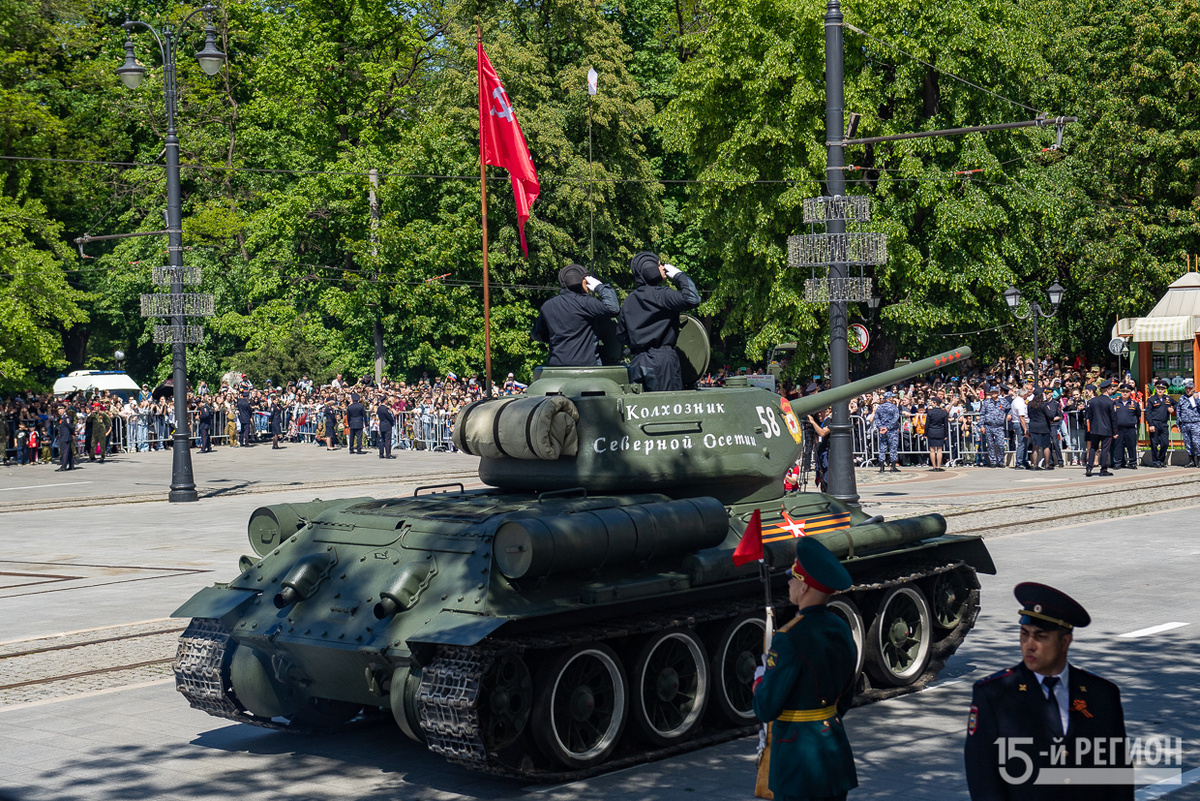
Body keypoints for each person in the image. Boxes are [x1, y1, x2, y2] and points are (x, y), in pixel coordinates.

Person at [965, 582, 1131, 801]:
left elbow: (1118, 773)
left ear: (1065, 641)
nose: (1029, 645)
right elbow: (983, 778)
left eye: (1041, 637)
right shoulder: (994, 694)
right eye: (1024, 634)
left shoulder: (1102, 694)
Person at [752, 537, 858, 801]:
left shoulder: (788, 638)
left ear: (805, 587)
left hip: (798, 760)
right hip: (833, 748)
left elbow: (766, 708)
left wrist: (760, 681)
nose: (789, 583)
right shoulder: (840, 627)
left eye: (794, 578)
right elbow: (846, 694)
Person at [617, 251, 700, 392]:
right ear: (650, 269)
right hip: (662, 361)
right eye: (659, 265)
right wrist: (680, 276)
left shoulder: (629, 300)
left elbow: (621, 334)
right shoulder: (662, 295)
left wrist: (637, 345)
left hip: (638, 361)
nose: (662, 267)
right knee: (667, 403)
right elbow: (692, 298)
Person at [531, 263, 619, 366]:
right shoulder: (586, 302)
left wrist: (559, 339)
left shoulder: (548, 306)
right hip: (587, 367)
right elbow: (613, 308)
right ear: (582, 282)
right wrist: (600, 287)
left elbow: (536, 334)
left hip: (556, 367)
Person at [1084, 381, 1115, 477]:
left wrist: (1091, 427)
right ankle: (1103, 469)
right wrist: (1115, 431)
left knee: (1093, 448)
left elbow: (1089, 416)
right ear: (1107, 390)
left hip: (1095, 429)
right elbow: (1113, 418)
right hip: (1106, 429)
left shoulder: (1093, 401)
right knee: (1105, 449)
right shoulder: (1110, 402)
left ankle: (1089, 467)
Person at [1143, 380, 1173, 467]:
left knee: (1165, 443)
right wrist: (1151, 424)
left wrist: (1172, 408)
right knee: (1154, 444)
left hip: (1164, 423)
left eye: (1162, 389)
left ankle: (1161, 460)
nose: (1160, 390)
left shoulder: (1168, 399)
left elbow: (1177, 404)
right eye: (1159, 388)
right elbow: (1148, 413)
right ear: (1156, 389)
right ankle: (1156, 461)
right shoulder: (1151, 399)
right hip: (1154, 423)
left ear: (1165, 390)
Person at [1111, 385, 1140, 469]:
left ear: (1130, 393)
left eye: (1127, 392)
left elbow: (1138, 414)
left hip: (1130, 428)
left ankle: (1132, 462)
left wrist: (1133, 421)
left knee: (1131, 446)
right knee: (1118, 446)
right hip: (1118, 428)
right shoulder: (1115, 403)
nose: (1125, 393)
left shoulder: (1134, 403)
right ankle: (1118, 463)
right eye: (1123, 391)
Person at [979, 386, 1007, 467]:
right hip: (989, 426)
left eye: (995, 392)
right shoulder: (986, 403)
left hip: (999, 426)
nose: (994, 393)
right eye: (992, 392)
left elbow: (1010, 409)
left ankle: (1001, 461)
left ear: (998, 392)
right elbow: (982, 414)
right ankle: (993, 461)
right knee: (990, 445)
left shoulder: (1003, 401)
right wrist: (982, 426)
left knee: (1000, 444)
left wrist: (1009, 415)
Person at [873, 390, 900, 472]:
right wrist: (888, 427)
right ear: (890, 398)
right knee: (893, 448)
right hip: (892, 430)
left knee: (882, 448)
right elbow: (895, 419)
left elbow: (876, 419)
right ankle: (893, 467)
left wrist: (881, 427)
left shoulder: (879, 407)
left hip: (882, 430)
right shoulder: (894, 407)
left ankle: (882, 467)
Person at [1177, 381, 1200, 467]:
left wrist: (1197, 399)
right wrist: (1178, 424)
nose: (1188, 390)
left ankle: (1199, 461)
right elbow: (1179, 411)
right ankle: (1191, 461)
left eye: (1190, 388)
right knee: (1188, 443)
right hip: (1185, 424)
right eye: (1186, 388)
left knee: (1196, 442)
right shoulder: (1182, 398)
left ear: (1193, 389)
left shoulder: (1197, 396)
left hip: (1195, 423)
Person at [925, 397, 949, 471]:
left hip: (931, 431)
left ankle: (934, 466)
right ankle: (938, 466)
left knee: (932, 450)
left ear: (935, 403)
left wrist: (925, 433)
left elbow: (927, 424)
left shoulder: (930, 412)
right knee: (939, 450)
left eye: (932, 402)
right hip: (940, 431)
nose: (931, 404)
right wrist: (946, 434)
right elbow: (946, 425)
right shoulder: (944, 412)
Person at [56, 406, 75, 472]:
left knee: (65, 452)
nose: (59, 411)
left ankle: (63, 466)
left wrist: (73, 433)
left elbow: (70, 427)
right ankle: (71, 465)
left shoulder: (66, 417)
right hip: (63, 436)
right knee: (69, 452)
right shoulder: (62, 418)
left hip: (66, 437)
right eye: (58, 410)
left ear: (64, 410)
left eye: (60, 410)